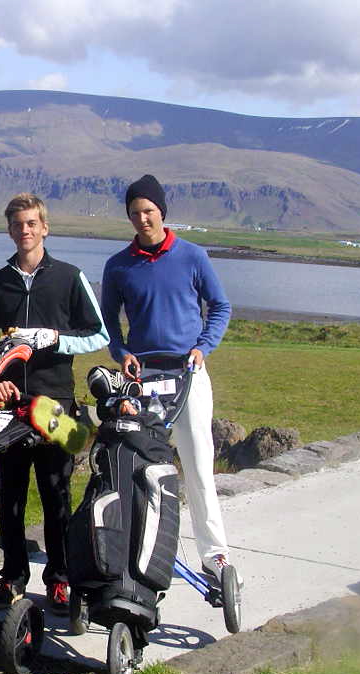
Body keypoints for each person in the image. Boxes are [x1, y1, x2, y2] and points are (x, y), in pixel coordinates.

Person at [0, 193, 109, 612]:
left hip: (57, 406)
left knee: (57, 493)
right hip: (8, 407)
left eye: (32, 223)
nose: (25, 231)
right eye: (18, 224)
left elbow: (99, 334)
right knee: (10, 496)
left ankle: (61, 579)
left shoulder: (69, 278)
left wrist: (56, 339)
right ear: (10, 230)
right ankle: (12, 577)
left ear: (45, 228)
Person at [100, 174, 238, 583]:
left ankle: (215, 556)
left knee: (197, 464)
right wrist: (121, 353)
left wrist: (203, 346)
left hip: (188, 373)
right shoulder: (118, 265)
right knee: (142, 465)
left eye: (149, 211)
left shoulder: (192, 256)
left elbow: (220, 306)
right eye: (135, 213)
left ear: (161, 211)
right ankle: (141, 550)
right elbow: (109, 322)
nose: (143, 219)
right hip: (143, 379)